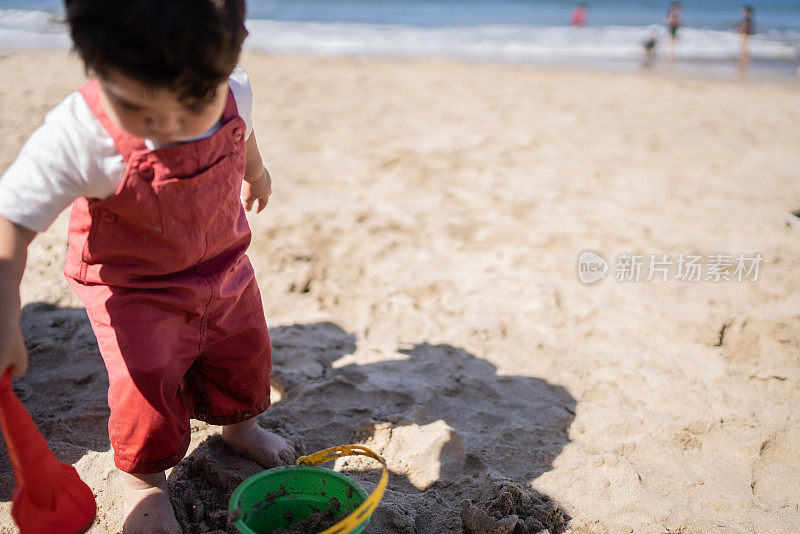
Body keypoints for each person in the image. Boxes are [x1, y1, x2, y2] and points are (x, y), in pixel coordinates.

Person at [0, 0, 295, 532]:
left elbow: (243, 132)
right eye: (144, 111)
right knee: (145, 386)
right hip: (134, 287)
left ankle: (241, 428)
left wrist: (257, 171)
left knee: (245, 350)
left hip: (223, 263)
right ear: (100, 67)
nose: (171, 125)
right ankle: (144, 480)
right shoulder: (81, 132)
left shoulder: (233, 88)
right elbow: (11, 222)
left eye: (192, 105)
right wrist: (3, 313)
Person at [737, 5, 755, 74]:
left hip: (745, 33)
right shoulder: (749, 17)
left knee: (743, 47)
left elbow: (745, 25)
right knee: (744, 47)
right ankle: (745, 60)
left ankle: (744, 60)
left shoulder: (746, 17)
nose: (742, 11)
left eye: (743, 10)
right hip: (747, 33)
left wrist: (740, 30)